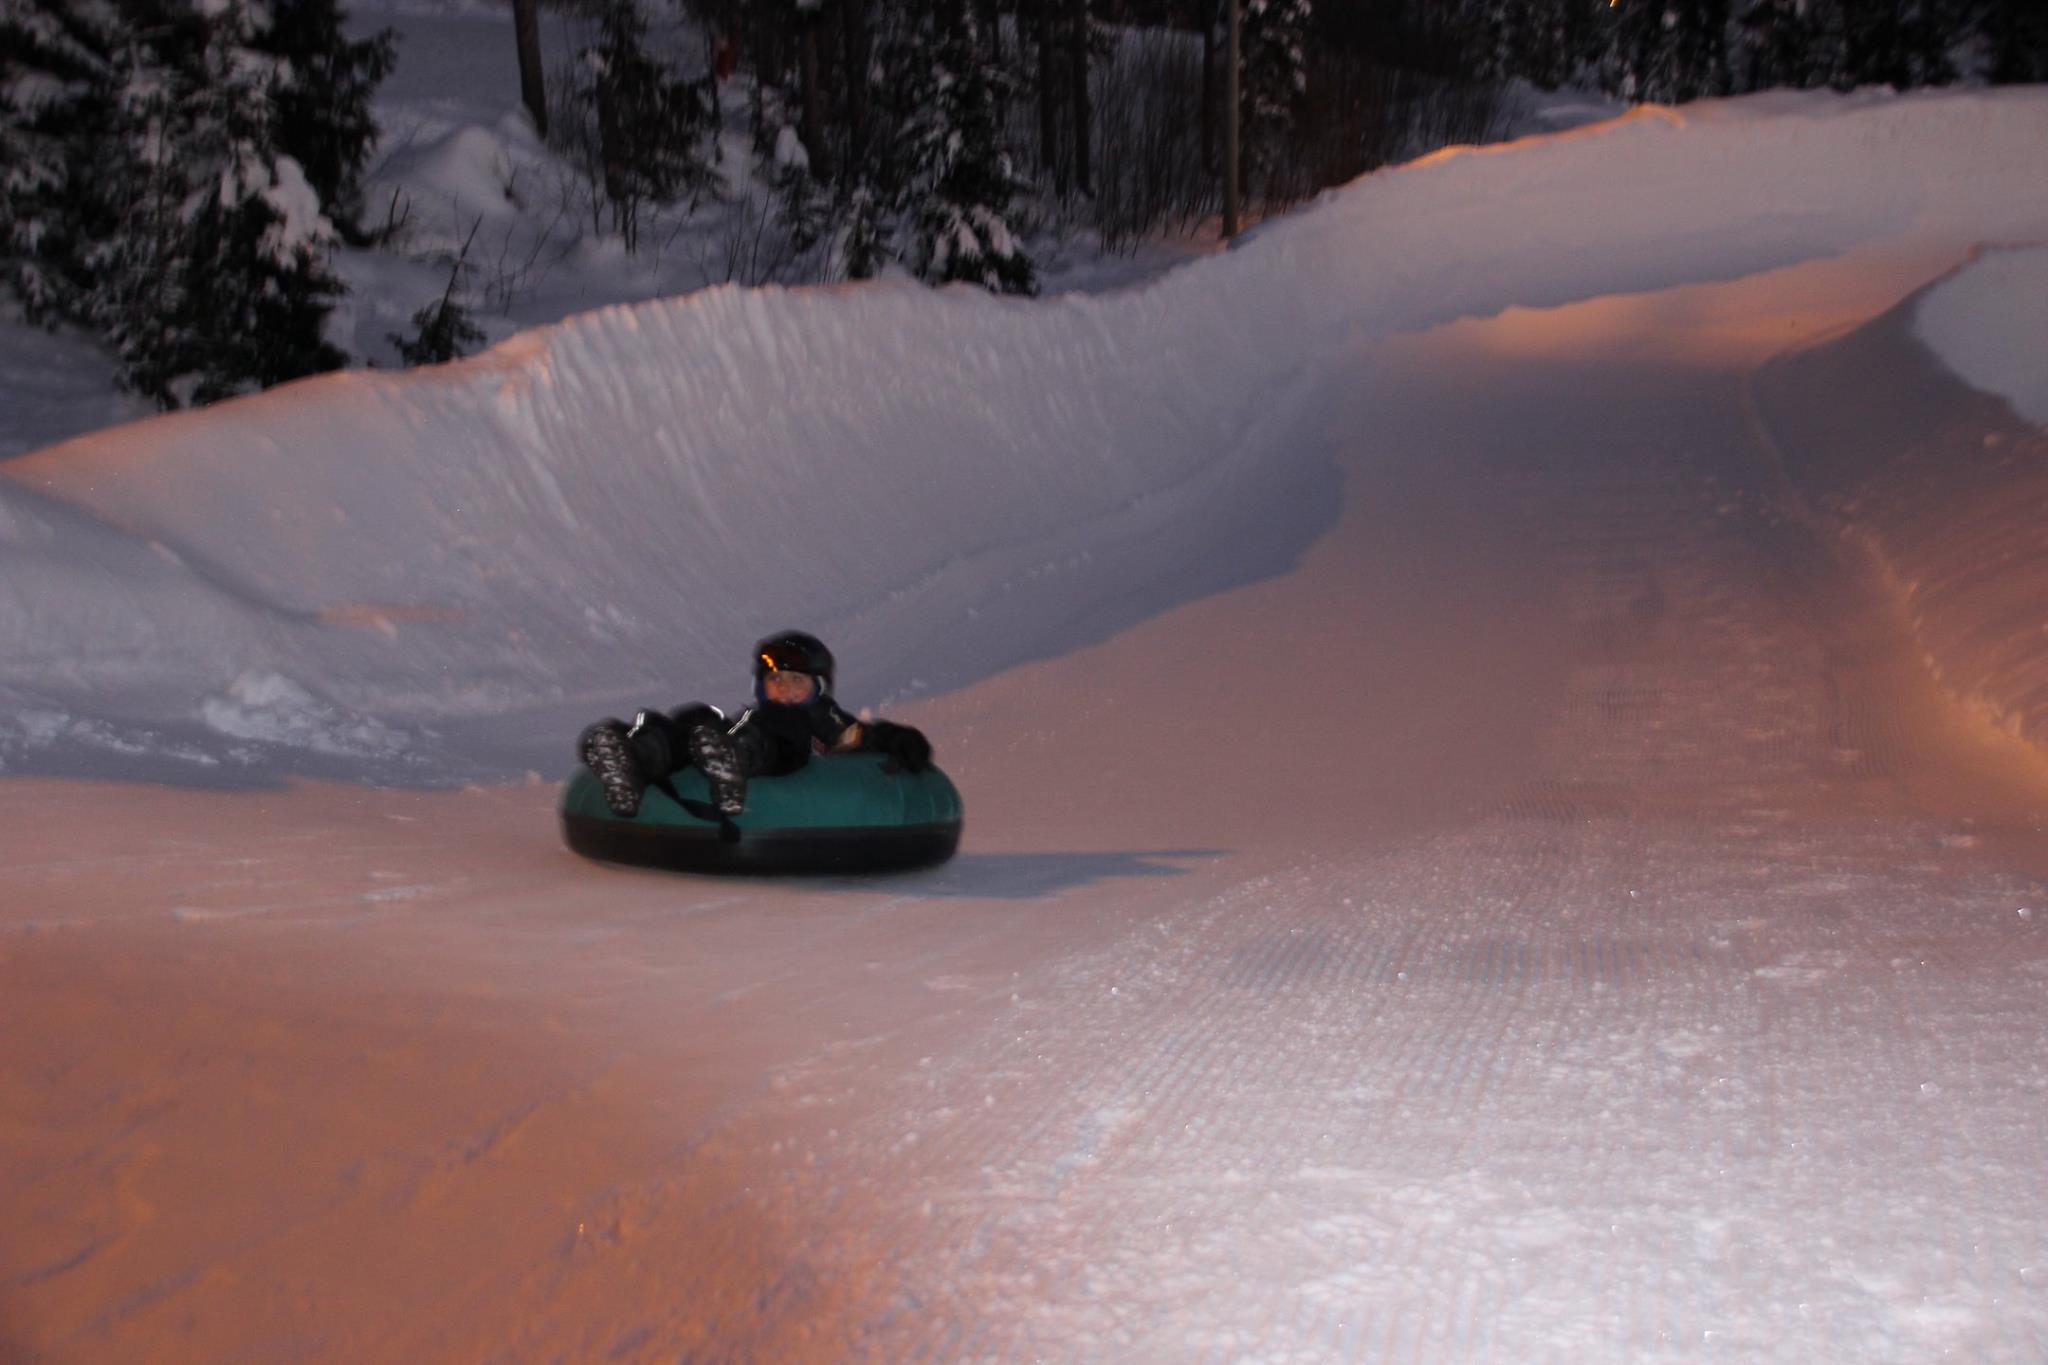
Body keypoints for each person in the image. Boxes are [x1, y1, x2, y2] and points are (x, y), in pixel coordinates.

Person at [577, 630, 933, 819]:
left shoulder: (823, 718)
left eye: (798, 682)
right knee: (699, 718)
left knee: (786, 730)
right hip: (734, 738)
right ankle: (635, 755)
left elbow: (864, 737)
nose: (786, 691)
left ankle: (737, 760)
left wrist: (901, 740)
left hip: (767, 750)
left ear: (820, 689)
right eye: (776, 681)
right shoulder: (757, 714)